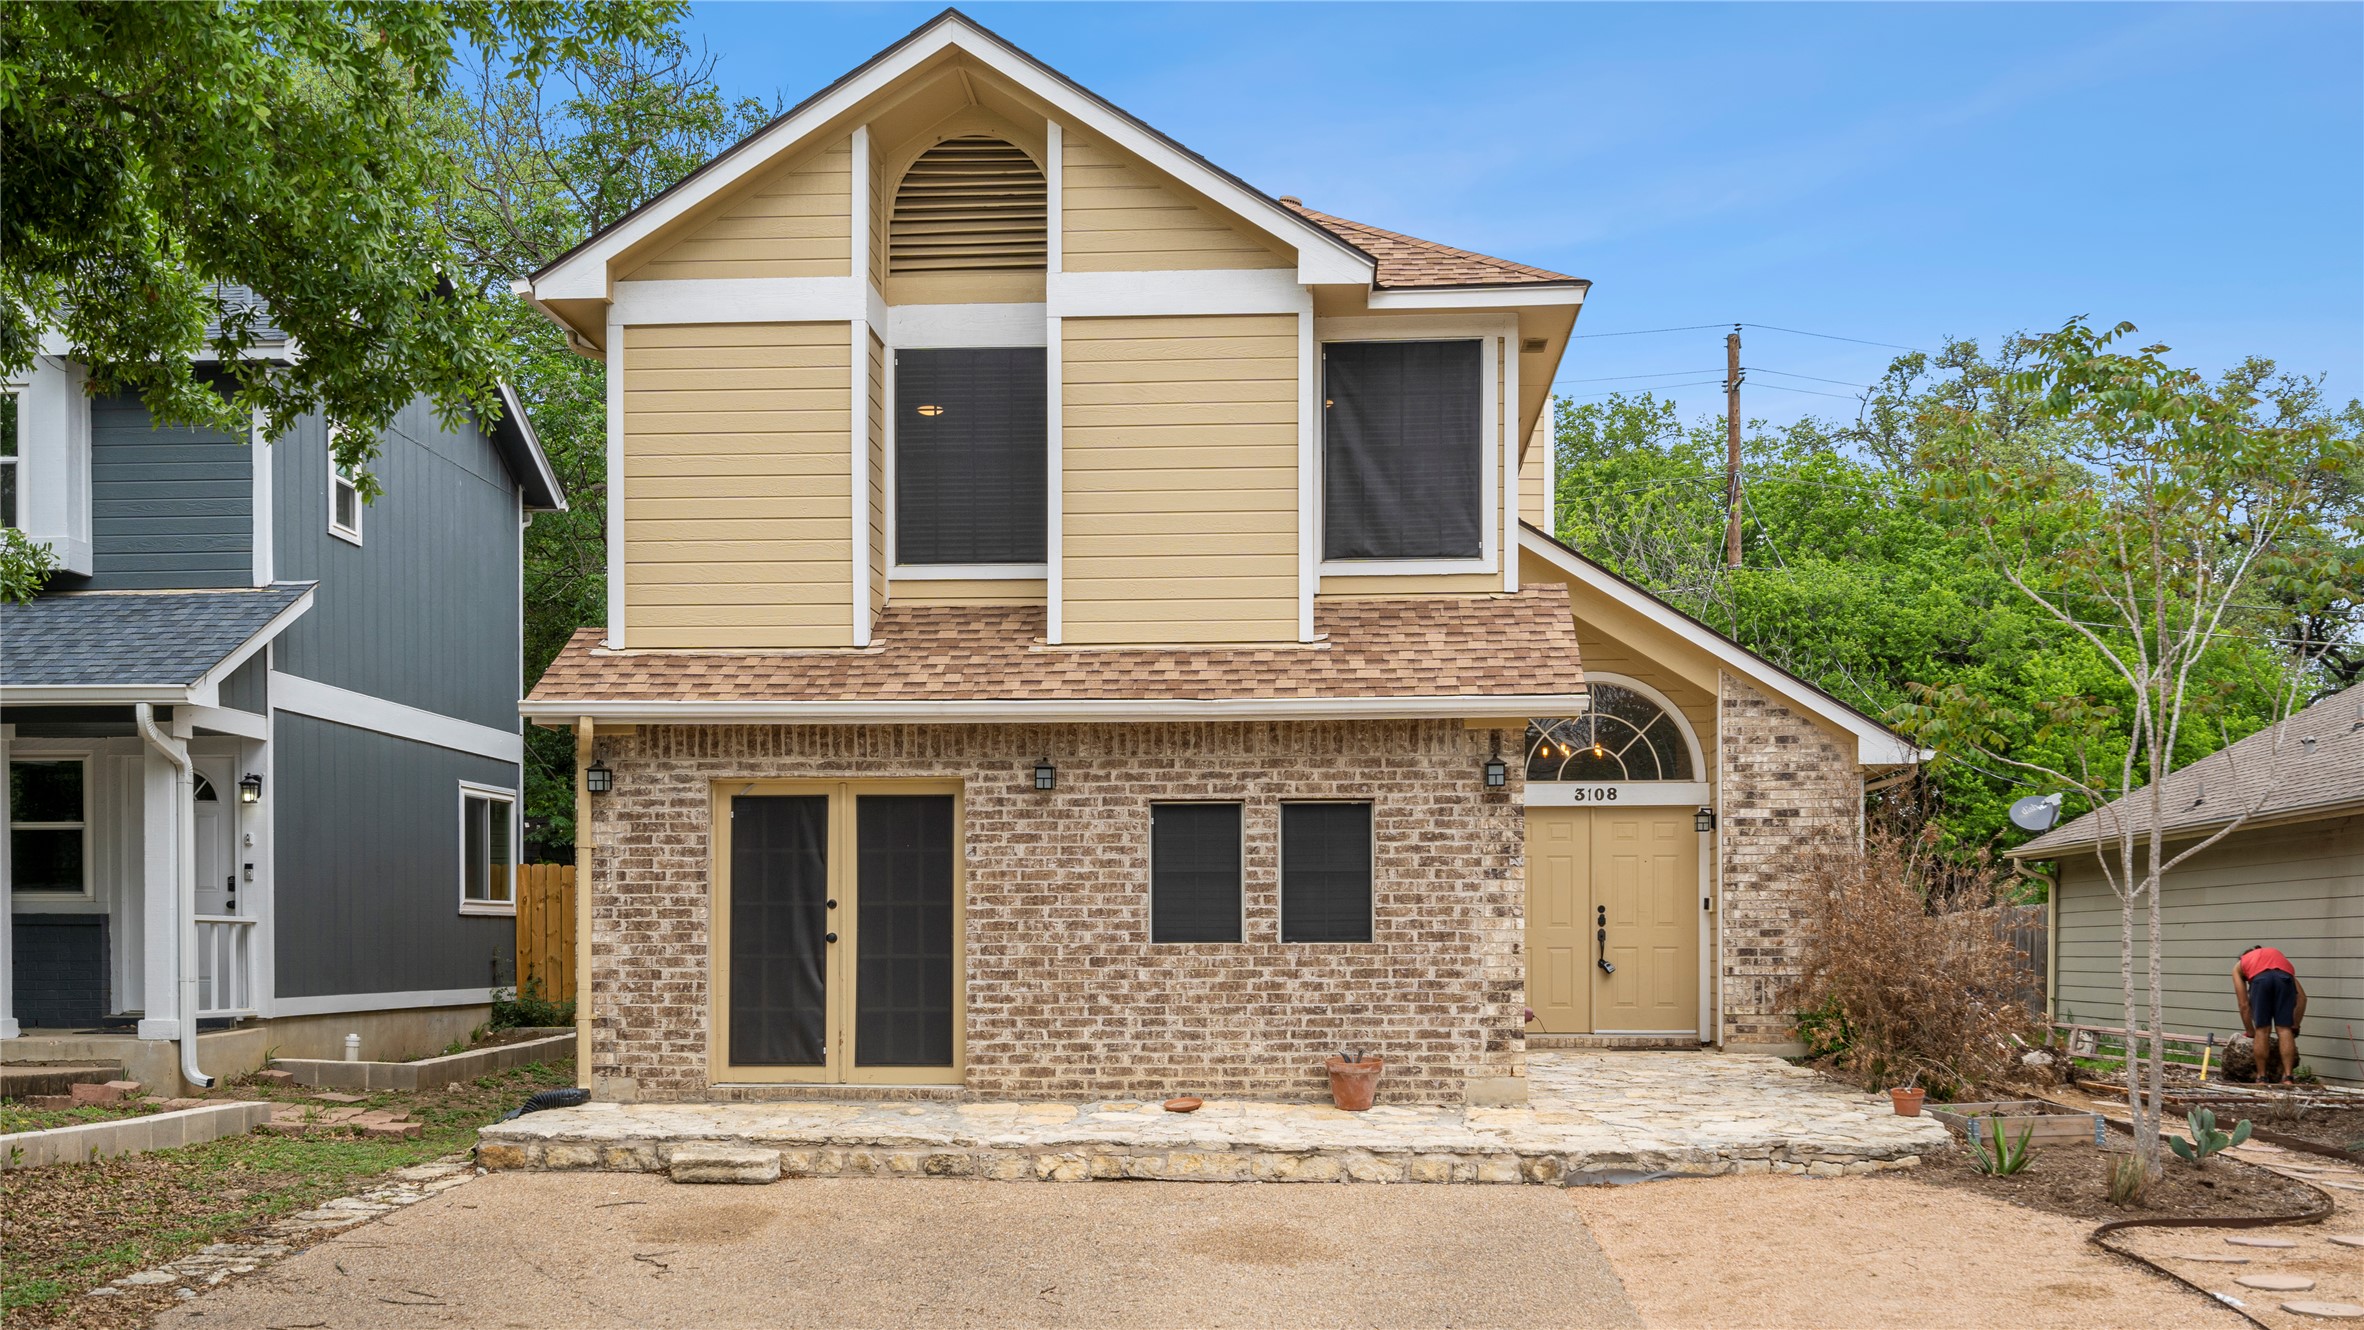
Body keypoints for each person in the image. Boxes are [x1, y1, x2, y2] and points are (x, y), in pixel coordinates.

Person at [2232, 946, 2308, 1084]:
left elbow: (2243, 1005)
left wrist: (2250, 1032)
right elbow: (2302, 998)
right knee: (2284, 1030)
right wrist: (2295, 1024)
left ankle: (2261, 1077)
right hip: (2284, 978)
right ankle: (2288, 1077)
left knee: (2262, 1030)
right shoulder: (2276, 958)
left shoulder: (2240, 965)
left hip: (2261, 982)